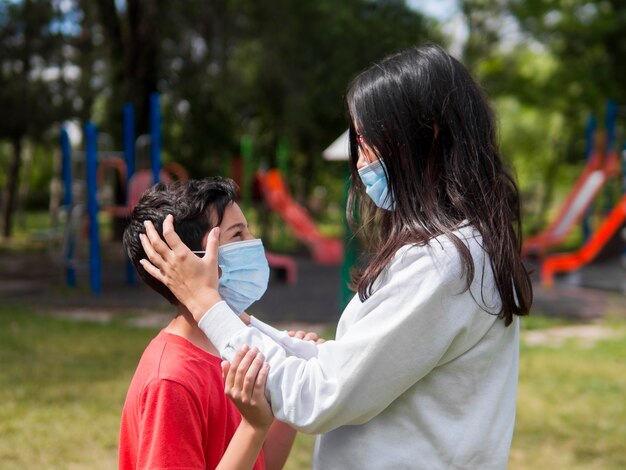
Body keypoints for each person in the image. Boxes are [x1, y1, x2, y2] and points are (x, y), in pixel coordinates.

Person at [139, 43, 533, 469]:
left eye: (367, 142)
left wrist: (207, 304)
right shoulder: (457, 249)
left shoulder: (444, 263)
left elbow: (320, 396)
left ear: (427, 136)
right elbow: (354, 367)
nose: (362, 161)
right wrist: (254, 330)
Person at [119, 177, 306, 470]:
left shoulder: (236, 347)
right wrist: (252, 427)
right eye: (237, 235)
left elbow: (261, 464)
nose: (253, 243)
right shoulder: (170, 381)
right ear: (187, 262)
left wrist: (288, 396)